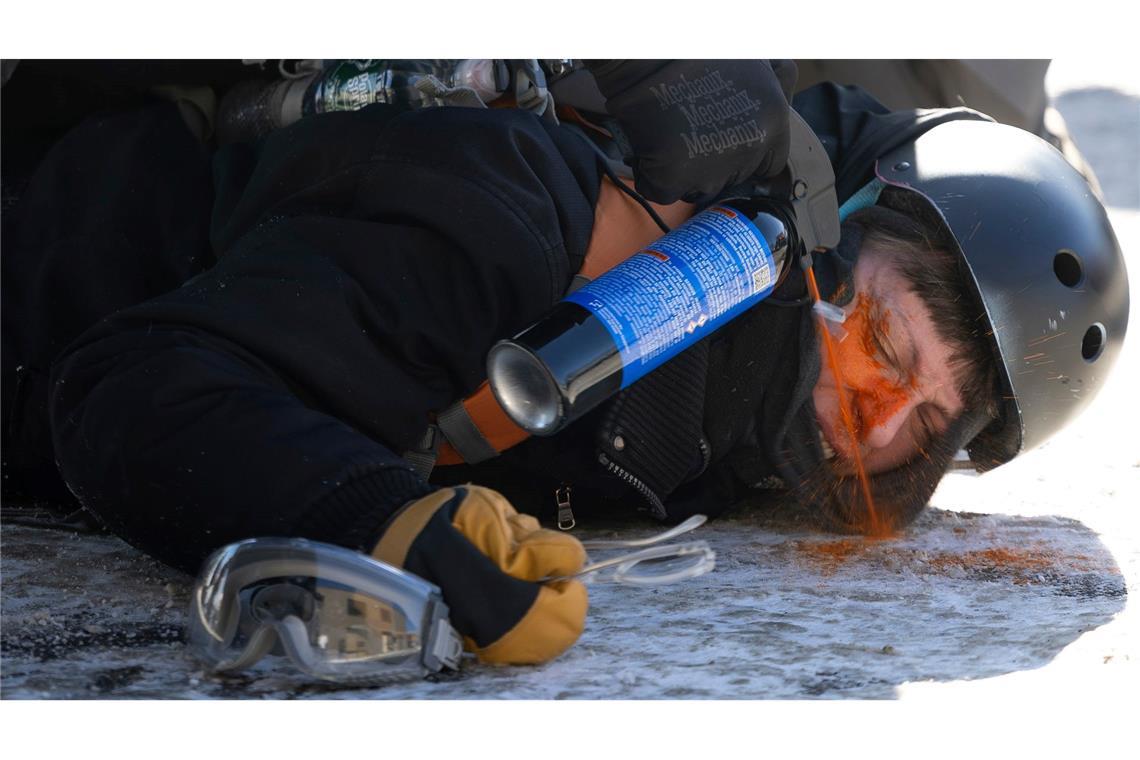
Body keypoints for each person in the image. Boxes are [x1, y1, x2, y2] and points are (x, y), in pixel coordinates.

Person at [1, 60, 1127, 667]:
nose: (872, 430)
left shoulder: (725, 405)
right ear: (814, 242)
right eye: (884, 348)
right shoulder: (526, 221)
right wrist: (381, 525)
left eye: (925, 427)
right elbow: (127, 390)